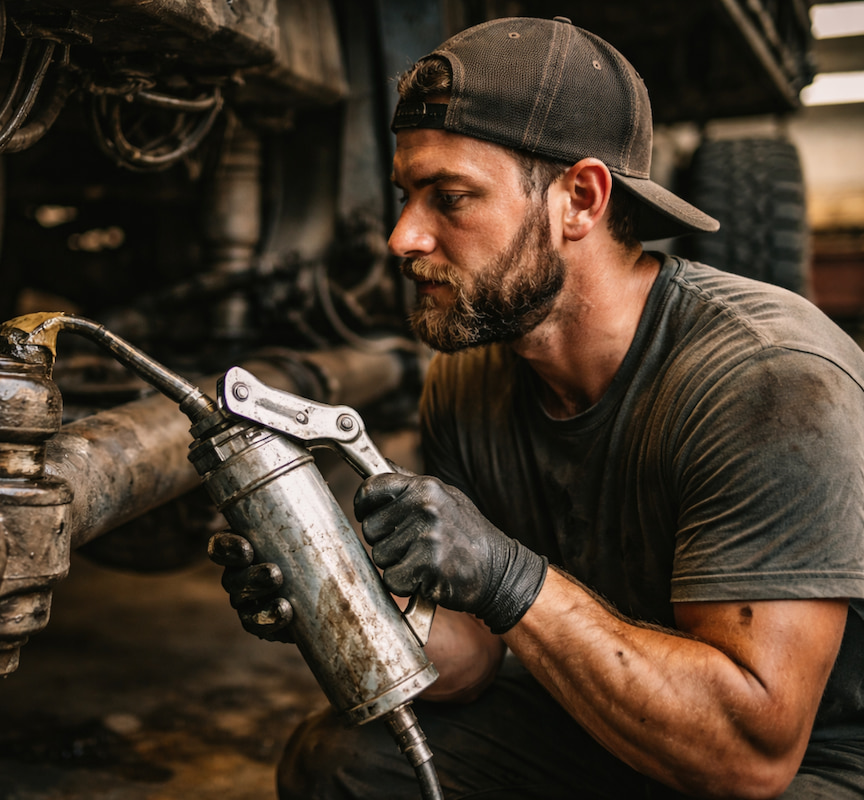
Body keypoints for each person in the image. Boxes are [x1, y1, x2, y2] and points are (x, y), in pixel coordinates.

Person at [208, 15, 864, 799]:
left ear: (579, 199)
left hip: (812, 764)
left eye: (450, 197)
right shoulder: (468, 382)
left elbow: (746, 755)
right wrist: (333, 598)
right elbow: (474, 661)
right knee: (344, 765)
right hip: (600, 717)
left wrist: (508, 576)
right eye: (407, 195)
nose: (401, 237)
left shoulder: (767, 379)